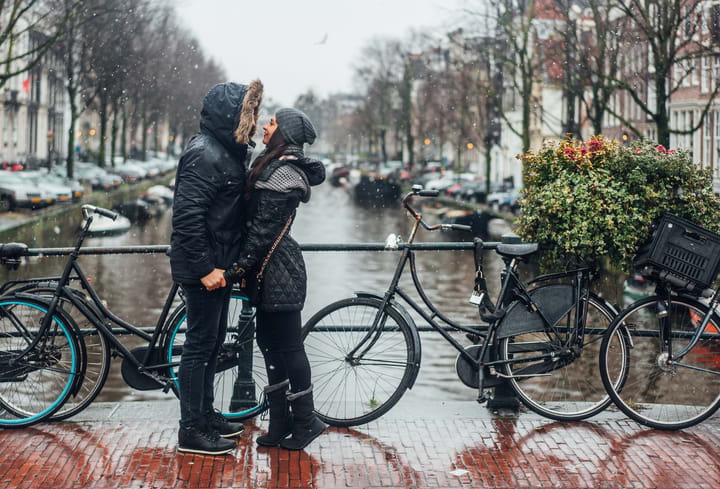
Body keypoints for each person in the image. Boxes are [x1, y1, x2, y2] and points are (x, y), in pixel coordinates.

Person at [169, 80, 263, 455]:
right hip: (205, 269)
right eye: (247, 113)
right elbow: (187, 216)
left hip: (220, 267)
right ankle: (191, 429)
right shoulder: (204, 152)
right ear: (231, 115)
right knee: (198, 346)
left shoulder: (226, 150)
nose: (253, 121)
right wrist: (206, 268)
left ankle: (205, 415)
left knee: (209, 345)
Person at [226, 108, 326, 450]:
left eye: (272, 123)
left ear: (284, 131)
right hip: (267, 268)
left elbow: (262, 231)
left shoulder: (284, 173)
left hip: (279, 269)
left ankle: (306, 421)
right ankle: (281, 420)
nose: (266, 126)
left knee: (289, 346)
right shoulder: (272, 162)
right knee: (268, 342)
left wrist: (237, 267)